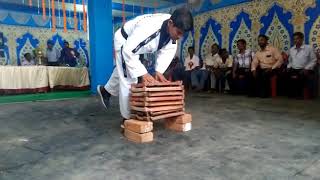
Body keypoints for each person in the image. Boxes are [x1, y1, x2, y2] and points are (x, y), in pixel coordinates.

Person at [96, 8, 193, 126]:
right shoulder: (149, 29)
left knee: (124, 69)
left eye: (183, 34)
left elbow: (168, 49)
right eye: (178, 32)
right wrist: (144, 73)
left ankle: (105, 91)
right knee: (129, 78)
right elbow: (128, 51)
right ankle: (127, 118)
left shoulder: (172, 29)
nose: (180, 37)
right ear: (170, 23)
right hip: (125, 41)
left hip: (136, 44)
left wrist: (159, 71)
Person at [287, 32, 317, 98]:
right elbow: (290, 61)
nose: (295, 40)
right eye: (294, 39)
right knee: (286, 76)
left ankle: (301, 95)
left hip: (305, 69)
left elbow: (314, 60)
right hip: (294, 69)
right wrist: (288, 67)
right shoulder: (291, 49)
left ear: (302, 39)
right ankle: (292, 94)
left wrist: (306, 68)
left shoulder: (308, 48)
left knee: (301, 77)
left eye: (297, 39)